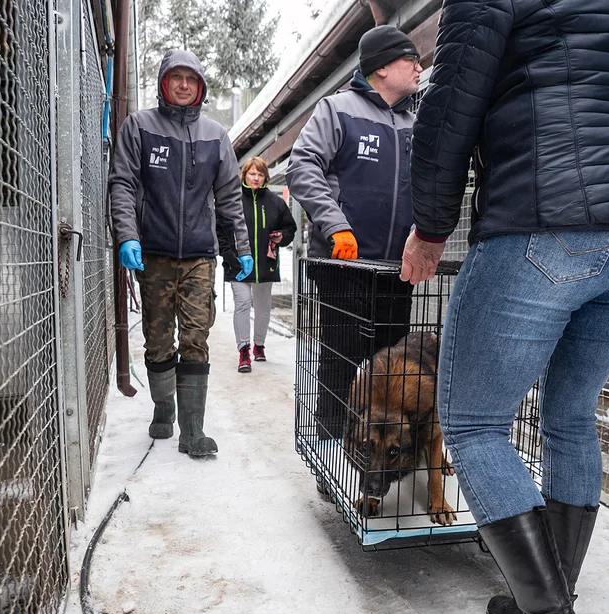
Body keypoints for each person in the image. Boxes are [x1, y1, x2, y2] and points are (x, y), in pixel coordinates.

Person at [403, 0, 609, 614]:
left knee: (472, 424)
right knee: (568, 417)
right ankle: (550, 597)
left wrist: (431, 227)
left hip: (547, 220)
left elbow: (449, 107)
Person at [109, 49, 253, 458]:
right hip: (152, 254)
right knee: (158, 339)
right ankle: (164, 409)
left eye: (192, 78)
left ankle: (193, 431)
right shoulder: (139, 127)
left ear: (201, 86)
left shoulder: (215, 135)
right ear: (163, 83)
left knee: (195, 337)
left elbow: (229, 198)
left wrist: (239, 249)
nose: (185, 85)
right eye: (177, 77)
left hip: (199, 257)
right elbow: (121, 184)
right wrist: (126, 236)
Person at [286, 25, 422, 440]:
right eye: (410, 60)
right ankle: (330, 449)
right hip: (346, 267)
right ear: (382, 67)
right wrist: (336, 225)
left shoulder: (415, 122)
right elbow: (302, 167)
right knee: (339, 363)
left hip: (395, 270)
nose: (419, 67)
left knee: (392, 368)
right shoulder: (337, 109)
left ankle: (381, 449)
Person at [219, 157, 297, 373]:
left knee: (263, 307)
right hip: (238, 265)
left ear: (265, 178)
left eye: (260, 174)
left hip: (266, 265)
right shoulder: (233, 200)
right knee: (243, 303)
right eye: (252, 173)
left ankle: (259, 345)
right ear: (244, 175)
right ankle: (243, 350)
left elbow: (290, 229)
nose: (256, 178)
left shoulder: (276, 202)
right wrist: (229, 256)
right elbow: (221, 230)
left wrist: (282, 237)